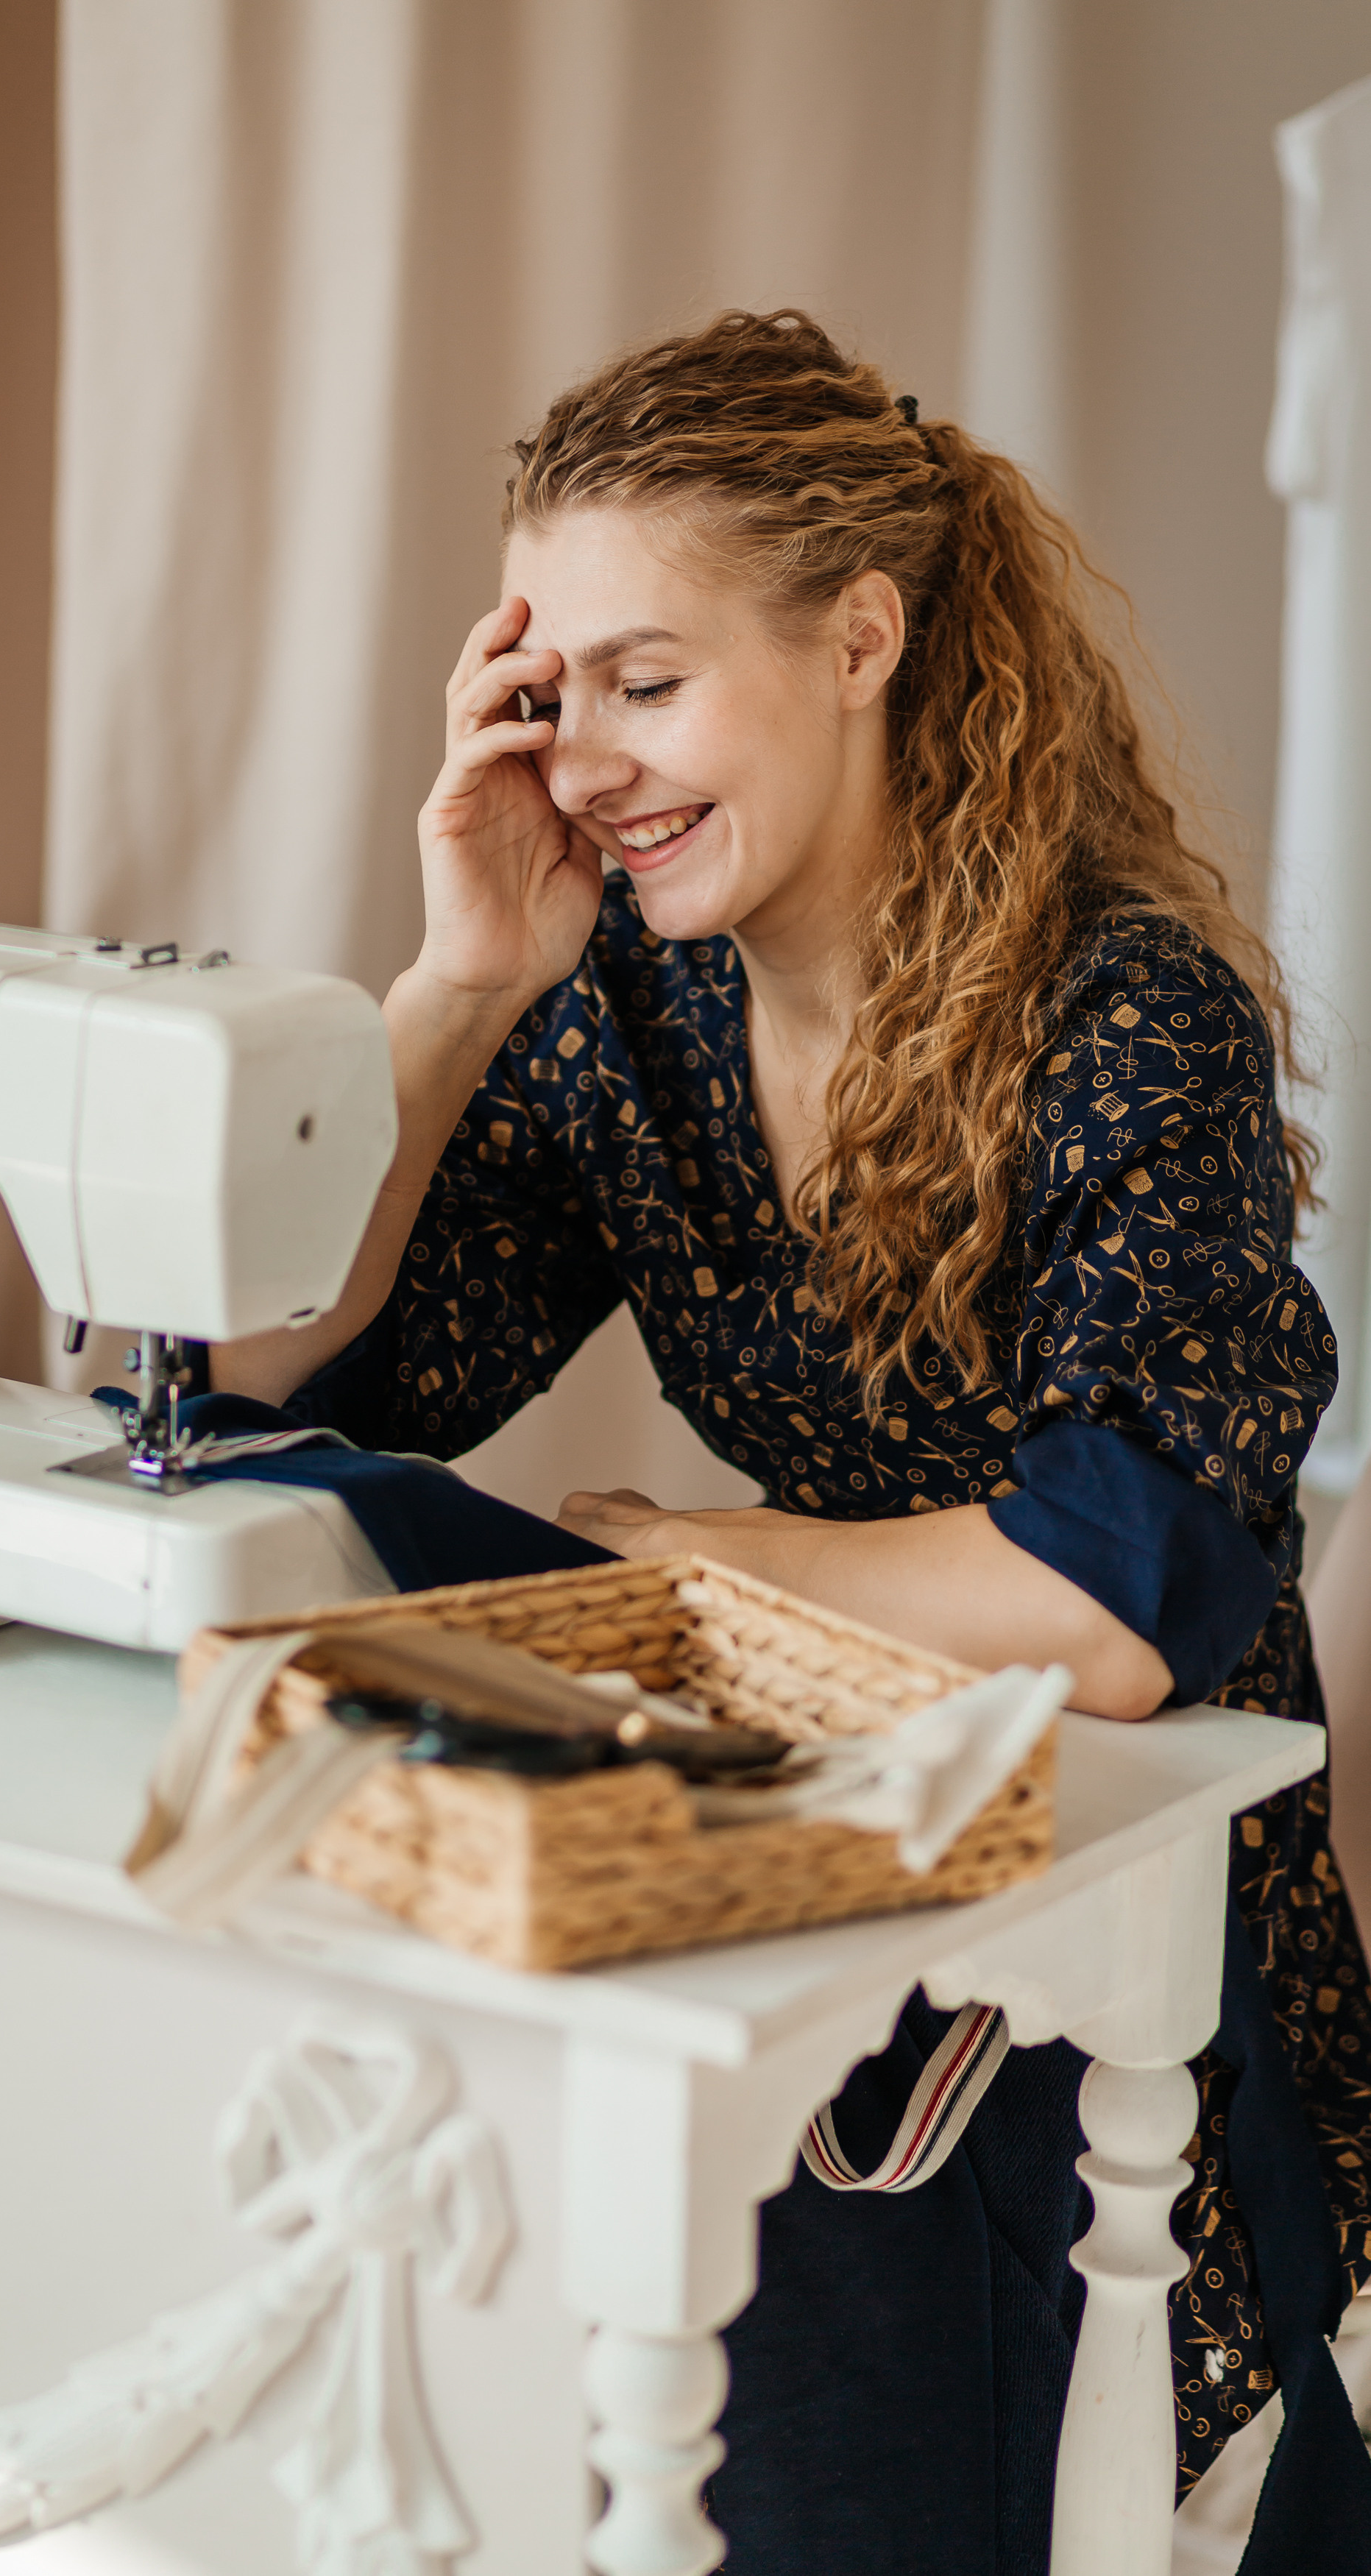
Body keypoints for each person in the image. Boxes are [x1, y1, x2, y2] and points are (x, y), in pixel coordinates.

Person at [215, 310, 1370, 2570]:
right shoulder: (628, 1009)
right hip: (823, 1880)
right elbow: (269, 1394)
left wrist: (690, 1557)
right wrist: (455, 984)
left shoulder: (1126, 1012)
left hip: (1130, 1920)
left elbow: (1115, 1594)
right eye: (554, 697)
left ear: (862, 637)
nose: (601, 760)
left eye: (650, 682)